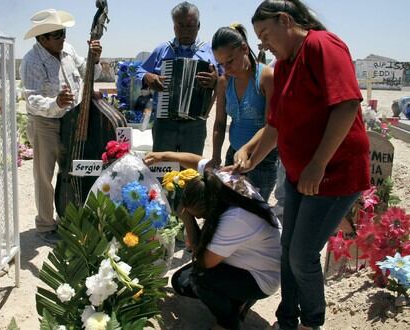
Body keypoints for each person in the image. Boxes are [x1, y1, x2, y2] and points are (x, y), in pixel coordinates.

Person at [244, 1, 370, 329]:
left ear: (286, 20)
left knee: (302, 255)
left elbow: (345, 105)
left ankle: (311, 322)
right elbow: (275, 128)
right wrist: (249, 162)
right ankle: (287, 318)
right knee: (288, 251)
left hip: (335, 173)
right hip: (302, 175)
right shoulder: (284, 64)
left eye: (266, 34)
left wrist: (319, 163)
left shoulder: (322, 45)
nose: (264, 43)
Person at [145, 151, 281, 330]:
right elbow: (199, 162)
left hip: (262, 277)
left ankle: (229, 321)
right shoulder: (222, 183)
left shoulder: (234, 219)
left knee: (200, 279)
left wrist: (187, 217)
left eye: (200, 216)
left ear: (211, 210)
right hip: (252, 260)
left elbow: (204, 262)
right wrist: (162, 156)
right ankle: (238, 299)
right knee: (180, 281)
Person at [21, 9, 103, 244]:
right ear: (41, 38)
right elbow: (32, 99)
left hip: (71, 121)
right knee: (44, 177)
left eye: (63, 32)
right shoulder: (31, 61)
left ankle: (67, 218)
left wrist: (94, 59)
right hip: (44, 123)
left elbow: (89, 74)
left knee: (70, 172)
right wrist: (55, 103)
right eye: (56, 34)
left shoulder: (68, 50)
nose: (62, 38)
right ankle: (46, 226)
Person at [136, 1, 220, 156]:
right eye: (180, 25)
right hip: (164, 123)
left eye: (190, 25)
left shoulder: (210, 51)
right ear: (174, 27)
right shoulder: (162, 49)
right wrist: (148, 77)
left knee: (190, 173)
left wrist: (216, 81)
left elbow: (228, 79)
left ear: (199, 25)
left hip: (195, 124)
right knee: (162, 169)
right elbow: (139, 71)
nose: (185, 30)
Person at [207, 23, 277, 202]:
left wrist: (247, 150)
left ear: (244, 49)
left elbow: (271, 125)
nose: (226, 69)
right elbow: (220, 123)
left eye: (229, 61)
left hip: (263, 159)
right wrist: (216, 157)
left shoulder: (266, 77)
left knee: (254, 216)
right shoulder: (224, 82)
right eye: (221, 64)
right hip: (234, 155)